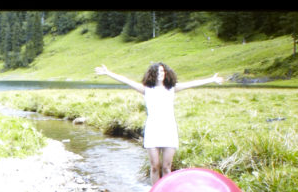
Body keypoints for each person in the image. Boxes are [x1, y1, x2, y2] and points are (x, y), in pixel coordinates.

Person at [94, 62, 222, 185]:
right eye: (158, 71)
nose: (161, 73)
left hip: (169, 129)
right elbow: (126, 81)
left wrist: (211, 79)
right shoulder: (146, 89)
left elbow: (192, 83)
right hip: (153, 129)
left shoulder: (171, 88)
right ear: (152, 74)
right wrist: (108, 73)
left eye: (163, 71)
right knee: (155, 166)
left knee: (166, 167)